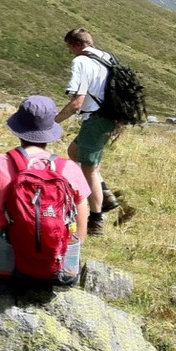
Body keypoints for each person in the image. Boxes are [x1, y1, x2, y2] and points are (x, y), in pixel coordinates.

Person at [0, 95, 90, 285]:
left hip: (2, 270)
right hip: (59, 273)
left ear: (18, 129)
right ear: (50, 131)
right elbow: (80, 237)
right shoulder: (69, 169)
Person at [54, 28, 121, 236]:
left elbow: (77, 102)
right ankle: (106, 196)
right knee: (74, 151)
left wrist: (53, 122)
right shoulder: (107, 57)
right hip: (109, 117)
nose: (69, 53)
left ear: (76, 45)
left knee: (89, 169)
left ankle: (96, 219)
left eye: (69, 47)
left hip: (95, 119)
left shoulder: (81, 62)